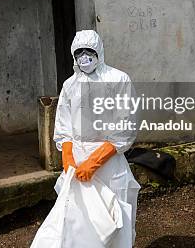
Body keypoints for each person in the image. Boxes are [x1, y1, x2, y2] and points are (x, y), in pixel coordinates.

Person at [53, 30, 140, 247]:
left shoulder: (118, 79)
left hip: (109, 163)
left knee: (116, 219)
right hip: (78, 164)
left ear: (98, 51)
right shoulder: (69, 85)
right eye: (79, 52)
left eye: (89, 51)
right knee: (81, 224)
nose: (84, 56)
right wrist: (68, 162)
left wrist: (93, 163)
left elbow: (124, 128)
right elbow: (64, 128)